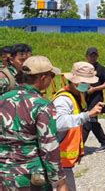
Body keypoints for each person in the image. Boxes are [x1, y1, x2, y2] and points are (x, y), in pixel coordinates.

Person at [0, 56, 67, 190]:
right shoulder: (41, 105)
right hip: (29, 177)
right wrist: (59, 180)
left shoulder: (2, 99)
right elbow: (48, 147)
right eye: (51, 76)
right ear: (43, 78)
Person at [53, 61, 104, 191]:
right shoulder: (63, 99)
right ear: (76, 82)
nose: (89, 86)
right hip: (58, 160)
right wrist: (87, 115)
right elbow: (59, 122)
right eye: (87, 83)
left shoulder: (77, 95)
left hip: (64, 162)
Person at [83, 47, 105, 152]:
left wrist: (94, 89)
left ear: (97, 56)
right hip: (85, 98)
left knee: (89, 120)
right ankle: (104, 142)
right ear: (86, 56)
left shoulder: (101, 69)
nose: (93, 57)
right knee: (91, 120)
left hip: (96, 98)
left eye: (95, 55)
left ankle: (80, 145)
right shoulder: (84, 68)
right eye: (91, 55)